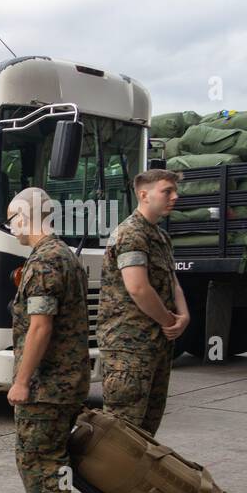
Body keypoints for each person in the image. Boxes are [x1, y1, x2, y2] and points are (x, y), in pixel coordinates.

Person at [0, 188, 91, 493]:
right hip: (65, 379)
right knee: (47, 455)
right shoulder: (63, 254)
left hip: (49, 384)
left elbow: (40, 328)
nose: (10, 226)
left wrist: (20, 381)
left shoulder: (45, 261)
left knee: (40, 457)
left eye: (11, 218)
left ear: (25, 215)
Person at [99, 169, 187, 436]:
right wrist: (170, 321)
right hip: (129, 349)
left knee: (146, 432)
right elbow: (138, 287)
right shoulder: (131, 233)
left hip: (155, 345)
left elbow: (172, 282)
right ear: (144, 194)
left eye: (175, 191)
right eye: (167, 191)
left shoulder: (161, 237)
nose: (174, 196)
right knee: (121, 434)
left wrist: (184, 316)